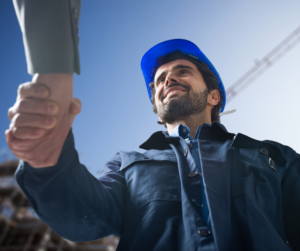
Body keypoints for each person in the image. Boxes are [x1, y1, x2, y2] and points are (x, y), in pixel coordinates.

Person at [6, 2, 300, 251]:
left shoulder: (275, 157)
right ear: (158, 113)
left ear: (215, 96)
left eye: (182, 71)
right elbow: (82, 218)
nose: (168, 80)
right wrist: (48, 159)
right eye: (160, 80)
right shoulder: (126, 165)